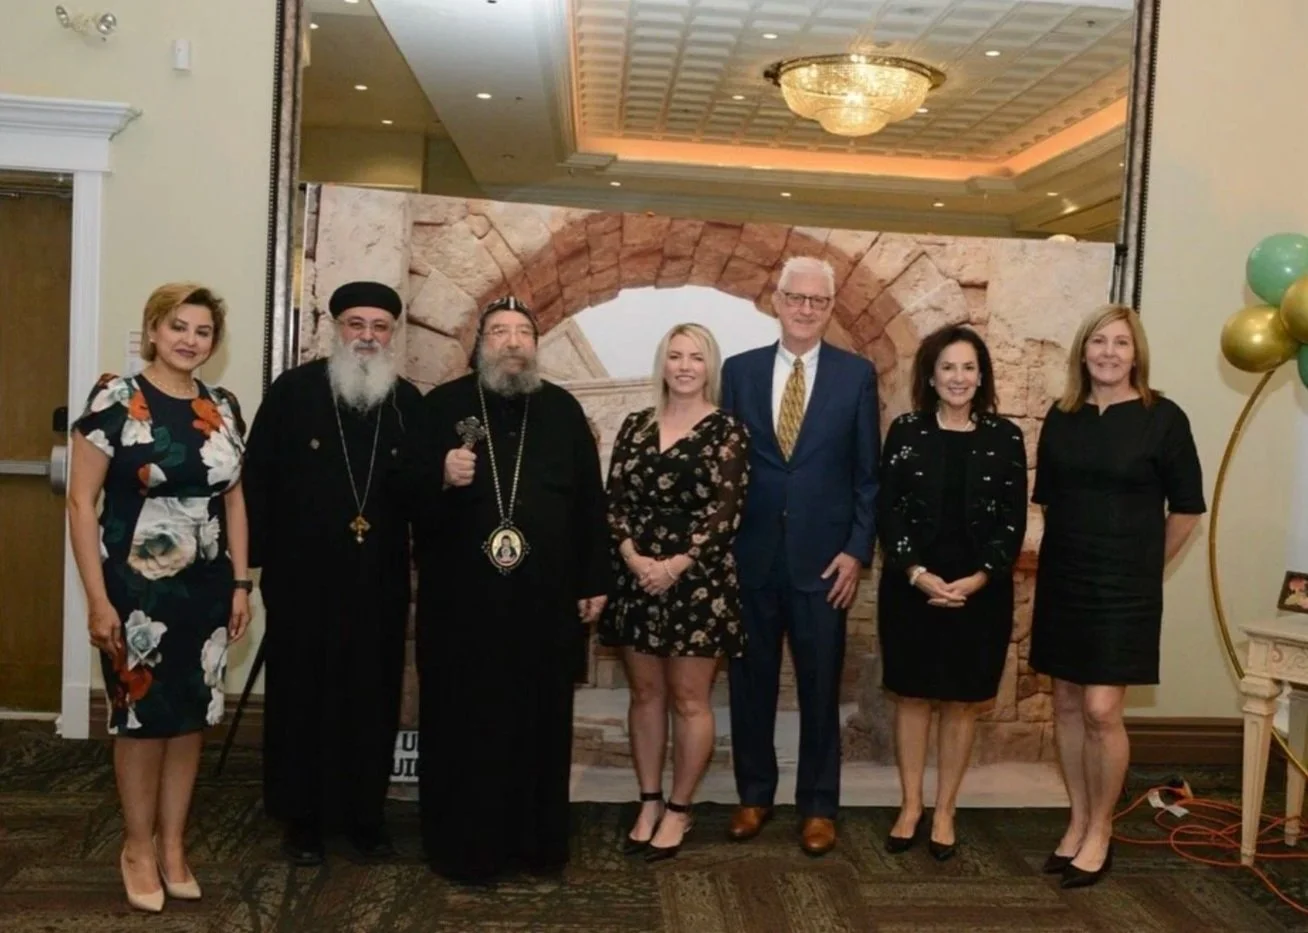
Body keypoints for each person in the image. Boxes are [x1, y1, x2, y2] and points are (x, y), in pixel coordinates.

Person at [406, 295, 612, 884]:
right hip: (461, 604)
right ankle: (461, 849)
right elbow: (405, 497)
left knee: (538, 720)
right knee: (463, 720)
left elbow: (590, 505)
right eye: (500, 331)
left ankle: (535, 846)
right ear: (481, 344)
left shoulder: (564, 410)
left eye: (524, 332)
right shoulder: (443, 406)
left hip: (544, 602)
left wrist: (595, 577)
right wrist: (440, 477)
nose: (514, 342)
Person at [67, 283, 249, 912]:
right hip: (136, 590)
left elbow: (233, 497)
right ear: (152, 330)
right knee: (141, 722)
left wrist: (241, 582)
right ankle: (137, 846)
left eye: (202, 331)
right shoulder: (116, 398)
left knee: (191, 718)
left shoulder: (222, 404)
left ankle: (173, 847)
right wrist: (97, 597)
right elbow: (79, 501)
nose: (189, 340)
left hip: (206, 588)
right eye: (178, 326)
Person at [241, 281, 423, 865]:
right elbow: (256, 484)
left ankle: (365, 817)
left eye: (379, 327)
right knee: (302, 697)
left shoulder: (408, 402)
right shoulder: (293, 393)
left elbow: (424, 498)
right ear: (334, 328)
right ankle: (302, 819)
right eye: (355, 324)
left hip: (380, 580)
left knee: (371, 695)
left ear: (392, 334)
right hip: (303, 580)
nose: (367, 337)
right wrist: (255, 570)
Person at [1030, 304, 1204, 888]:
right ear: (1083, 351)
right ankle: (1077, 820)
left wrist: (1145, 568)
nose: (1108, 352)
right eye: (1098, 341)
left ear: (1137, 354)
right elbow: (1051, 500)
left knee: (1103, 710)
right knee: (1066, 706)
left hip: (1124, 587)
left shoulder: (1164, 418)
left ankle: (1103, 828)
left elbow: (1186, 512)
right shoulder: (1062, 416)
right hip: (1066, 577)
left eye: (1121, 343)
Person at [720, 256, 880, 856]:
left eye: (818, 301)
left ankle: (818, 806)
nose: (806, 308)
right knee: (750, 685)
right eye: (796, 297)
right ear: (777, 300)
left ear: (829, 308)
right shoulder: (739, 372)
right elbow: (726, 469)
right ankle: (754, 796)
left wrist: (856, 552)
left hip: (824, 565)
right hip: (751, 559)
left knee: (819, 690)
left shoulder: (855, 375)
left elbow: (868, 476)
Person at [876, 325, 1028, 862]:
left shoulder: (1005, 437)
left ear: (981, 375)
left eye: (968, 367)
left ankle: (945, 810)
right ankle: (911, 805)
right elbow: (888, 512)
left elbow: (1012, 521)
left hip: (979, 592)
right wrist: (917, 574)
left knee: (962, 703)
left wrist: (981, 576)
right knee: (913, 697)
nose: (958, 377)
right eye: (948, 367)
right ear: (932, 376)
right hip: (911, 587)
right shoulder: (906, 431)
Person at [599, 323, 750, 862]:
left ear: (711, 367)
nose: (685, 366)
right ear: (662, 362)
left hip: (698, 583)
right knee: (645, 696)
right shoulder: (635, 425)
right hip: (638, 578)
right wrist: (636, 559)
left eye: (697, 357)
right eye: (676, 356)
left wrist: (675, 566)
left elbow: (727, 513)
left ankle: (681, 810)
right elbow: (613, 501)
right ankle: (649, 800)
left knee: (690, 700)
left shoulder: (728, 430)